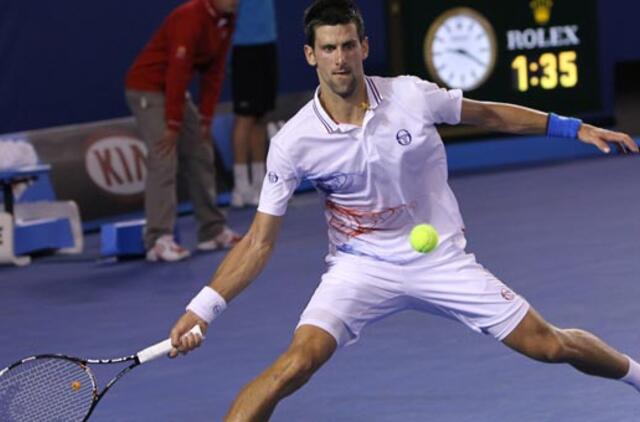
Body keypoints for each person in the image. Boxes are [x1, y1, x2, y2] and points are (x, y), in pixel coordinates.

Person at [169, 0, 640, 419]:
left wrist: (573, 127)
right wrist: (202, 310)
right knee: (294, 365)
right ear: (311, 55)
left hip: (440, 260)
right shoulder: (294, 141)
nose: (340, 59)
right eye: (329, 49)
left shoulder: (411, 96)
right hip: (360, 268)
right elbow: (258, 241)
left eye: (348, 46)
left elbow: (490, 114)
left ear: (364, 47)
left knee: (549, 345)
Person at [125, 0, 241, 262]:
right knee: (163, 155)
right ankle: (158, 239)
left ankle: (211, 230)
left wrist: (206, 117)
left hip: (173, 90)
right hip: (148, 87)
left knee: (200, 149)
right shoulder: (190, 16)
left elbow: (215, 72)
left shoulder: (227, 20)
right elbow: (177, 71)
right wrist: (173, 123)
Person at [229, 0, 278, 207]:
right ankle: (240, 188)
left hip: (268, 42)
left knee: (261, 116)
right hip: (243, 45)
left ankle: (260, 183)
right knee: (245, 117)